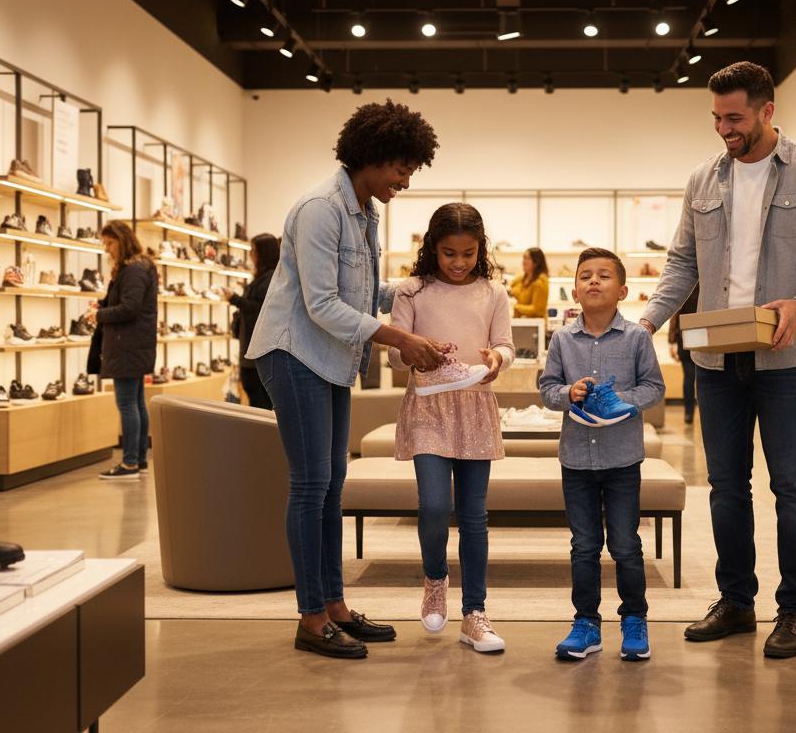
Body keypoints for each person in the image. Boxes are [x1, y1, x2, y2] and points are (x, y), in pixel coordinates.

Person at [639, 61, 796, 659]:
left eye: (734, 117)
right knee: (726, 487)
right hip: (715, 360)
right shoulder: (702, 180)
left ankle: (795, 610)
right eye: (716, 117)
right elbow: (682, 264)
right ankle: (736, 601)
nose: (723, 129)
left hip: (787, 359)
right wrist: (646, 324)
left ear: (767, 111)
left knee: (792, 486)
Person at [246, 100, 447, 660]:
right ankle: (311, 618)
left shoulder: (366, 210)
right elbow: (321, 305)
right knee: (311, 487)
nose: (405, 180)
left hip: (331, 358)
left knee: (333, 487)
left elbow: (361, 292)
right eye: (402, 168)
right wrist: (401, 339)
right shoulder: (320, 208)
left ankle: (334, 605)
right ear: (373, 156)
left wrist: (423, 288)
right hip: (294, 353)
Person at [388, 202, 512, 654]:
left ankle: (475, 613)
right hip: (428, 406)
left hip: (476, 402)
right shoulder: (411, 291)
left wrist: (498, 360)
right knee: (436, 506)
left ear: (481, 249)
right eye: (448, 253)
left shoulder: (493, 292)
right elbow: (394, 355)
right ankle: (435, 578)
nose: (459, 263)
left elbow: (504, 344)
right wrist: (417, 350)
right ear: (431, 249)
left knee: (475, 516)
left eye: (468, 253)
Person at [539, 247, 665, 662]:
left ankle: (634, 619)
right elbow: (547, 388)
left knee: (626, 544)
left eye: (604, 276)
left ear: (623, 290)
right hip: (576, 459)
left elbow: (654, 387)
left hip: (623, 458)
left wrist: (621, 401)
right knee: (584, 544)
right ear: (574, 290)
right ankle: (586, 623)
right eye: (586, 276)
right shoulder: (561, 338)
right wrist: (567, 393)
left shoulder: (637, 338)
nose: (594, 281)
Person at [90, 219, 159, 479]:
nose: (107, 249)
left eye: (110, 243)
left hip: (127, 345)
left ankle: (130, 462)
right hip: (134, 344)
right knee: (136, 403)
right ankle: (138, 459)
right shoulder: (141, 267)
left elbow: (130, 307)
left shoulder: (133, 270)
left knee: (128, 403)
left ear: (122, 240)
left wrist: (99, 314)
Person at [225, 232, 277, 409]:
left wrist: (234, 298)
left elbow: (259, 309)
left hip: (258, 353)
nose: (251, 255)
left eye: (253, 251)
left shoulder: (270, 278)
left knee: (260, 402)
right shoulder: (265, 277)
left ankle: (263, 436)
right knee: (257, 399)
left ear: (264, 253)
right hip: (252, 351)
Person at [667, 286, 701, 425]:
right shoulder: (705, 287)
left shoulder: (684, 289)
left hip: (686, 337)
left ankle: (689, 413)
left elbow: (674, 317)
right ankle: (700, 413)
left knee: (689, 377)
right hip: (703, 336)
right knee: (703, 378)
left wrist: (671, 342)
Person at [509, 246, 549, 318]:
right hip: (523, 322)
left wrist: (517, 307)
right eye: (524, 258)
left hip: (536, 325)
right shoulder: (523, 279)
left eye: (527, 258)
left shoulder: (540, 282)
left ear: (536, 262)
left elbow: (537, 309)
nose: (523, 262)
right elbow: (513, 289)